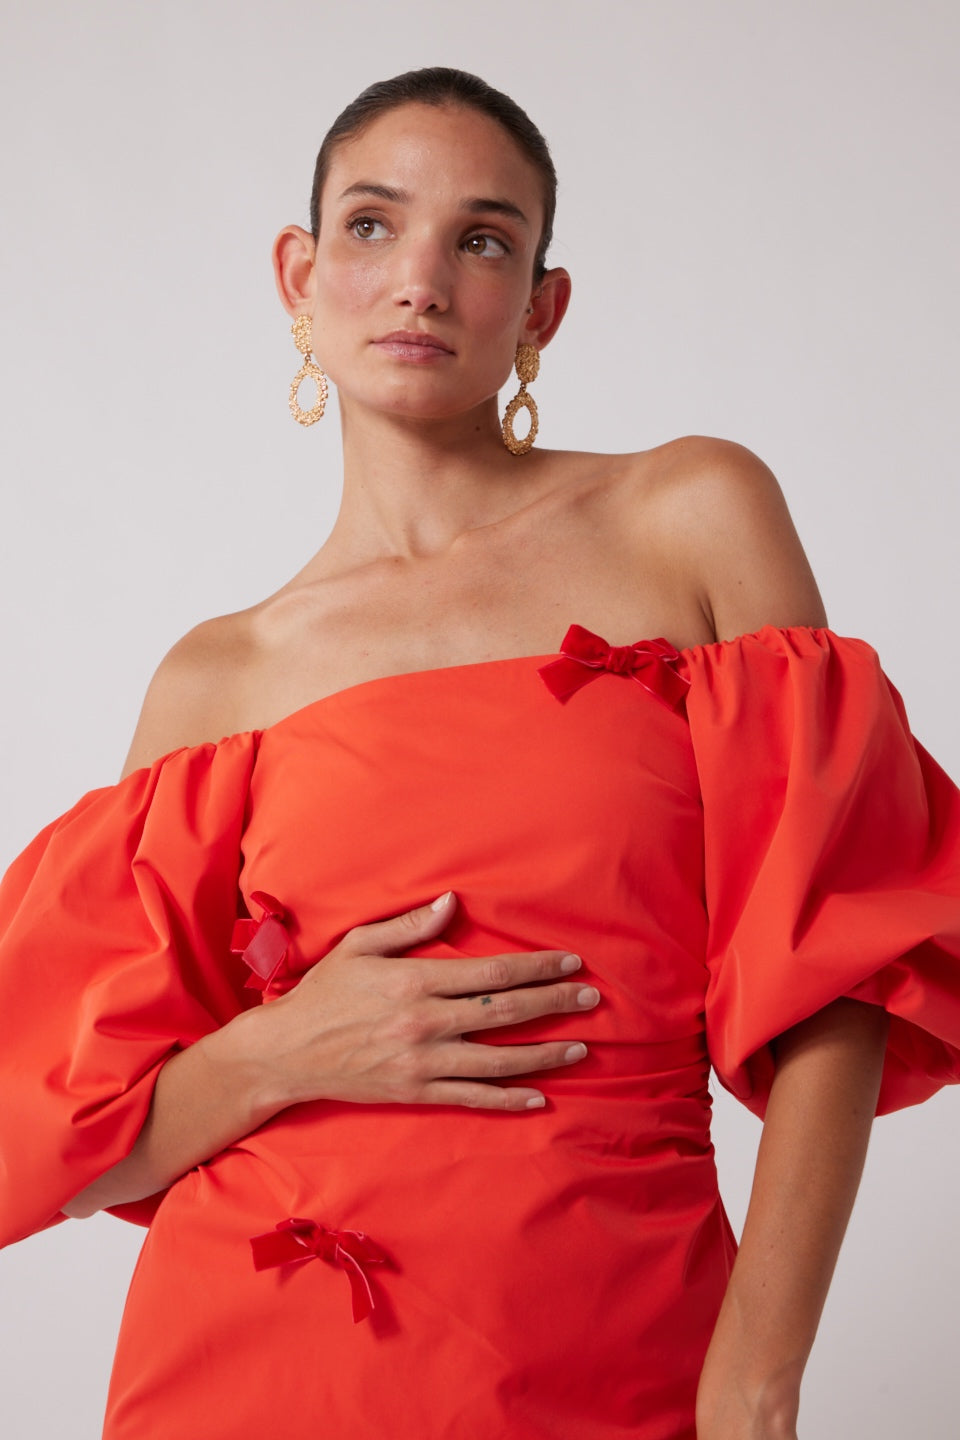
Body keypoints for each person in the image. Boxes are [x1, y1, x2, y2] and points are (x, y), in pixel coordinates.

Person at [1, 66, 959, 1440]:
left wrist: (758, 1377)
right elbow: (57, 1133)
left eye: (484, 238)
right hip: (248, 1364)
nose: (423, 281)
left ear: (541, 308)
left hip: (621, 1336)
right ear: (299, 273)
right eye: (374, 227)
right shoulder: (221, 678)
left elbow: (843, 959)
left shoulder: (689, 516)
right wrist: (276, 1054)